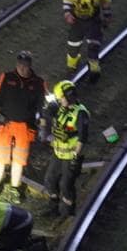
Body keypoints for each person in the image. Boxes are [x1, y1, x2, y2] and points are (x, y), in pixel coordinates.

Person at [0, 50, 46, 202]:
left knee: (19, 160)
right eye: (20, 65)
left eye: (25, 66)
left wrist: (42, 127)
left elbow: (42, 107)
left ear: (30, 66)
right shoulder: (7, 78)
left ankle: (15, 187)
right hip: (5, 125)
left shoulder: (38, 83)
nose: (21, 68)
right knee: (0, 157)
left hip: (25, 127)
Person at [43, 80, 90, 216]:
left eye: (61, 98)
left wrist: (76, 157)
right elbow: (48, 113)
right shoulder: (62, 108)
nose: (59, 100)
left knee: (66, 185)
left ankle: (67, 212)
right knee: (50, 180)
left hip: (71, 157)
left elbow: (82, 137)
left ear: (68, 96)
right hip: (58, 154)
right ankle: (54, 206)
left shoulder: (81, 113)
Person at [61, 0, 113, 78]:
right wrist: (67, 14)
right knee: (73, 45)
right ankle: (71, 66)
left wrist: (107, 16)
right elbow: (67, 0)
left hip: (93, 20)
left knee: (94, 46)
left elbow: (105, 1)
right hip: (77, 20)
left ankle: (94, 70)